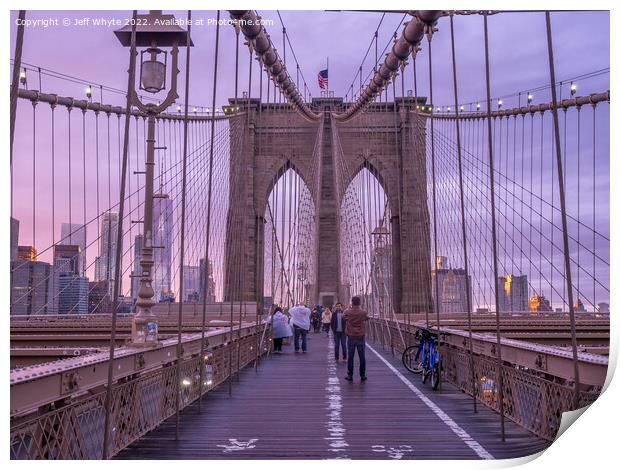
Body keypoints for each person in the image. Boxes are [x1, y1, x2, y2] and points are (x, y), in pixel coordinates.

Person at [343, 296, 369, 381]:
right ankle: (362, 375)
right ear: (359, 302)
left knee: (350, 356)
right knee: (362, 357)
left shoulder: (347, 311)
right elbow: (367, 318)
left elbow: (344, 317)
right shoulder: (363, 312)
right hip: (360, 336)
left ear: (352, 302)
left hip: (351, 336)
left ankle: (350, 375)